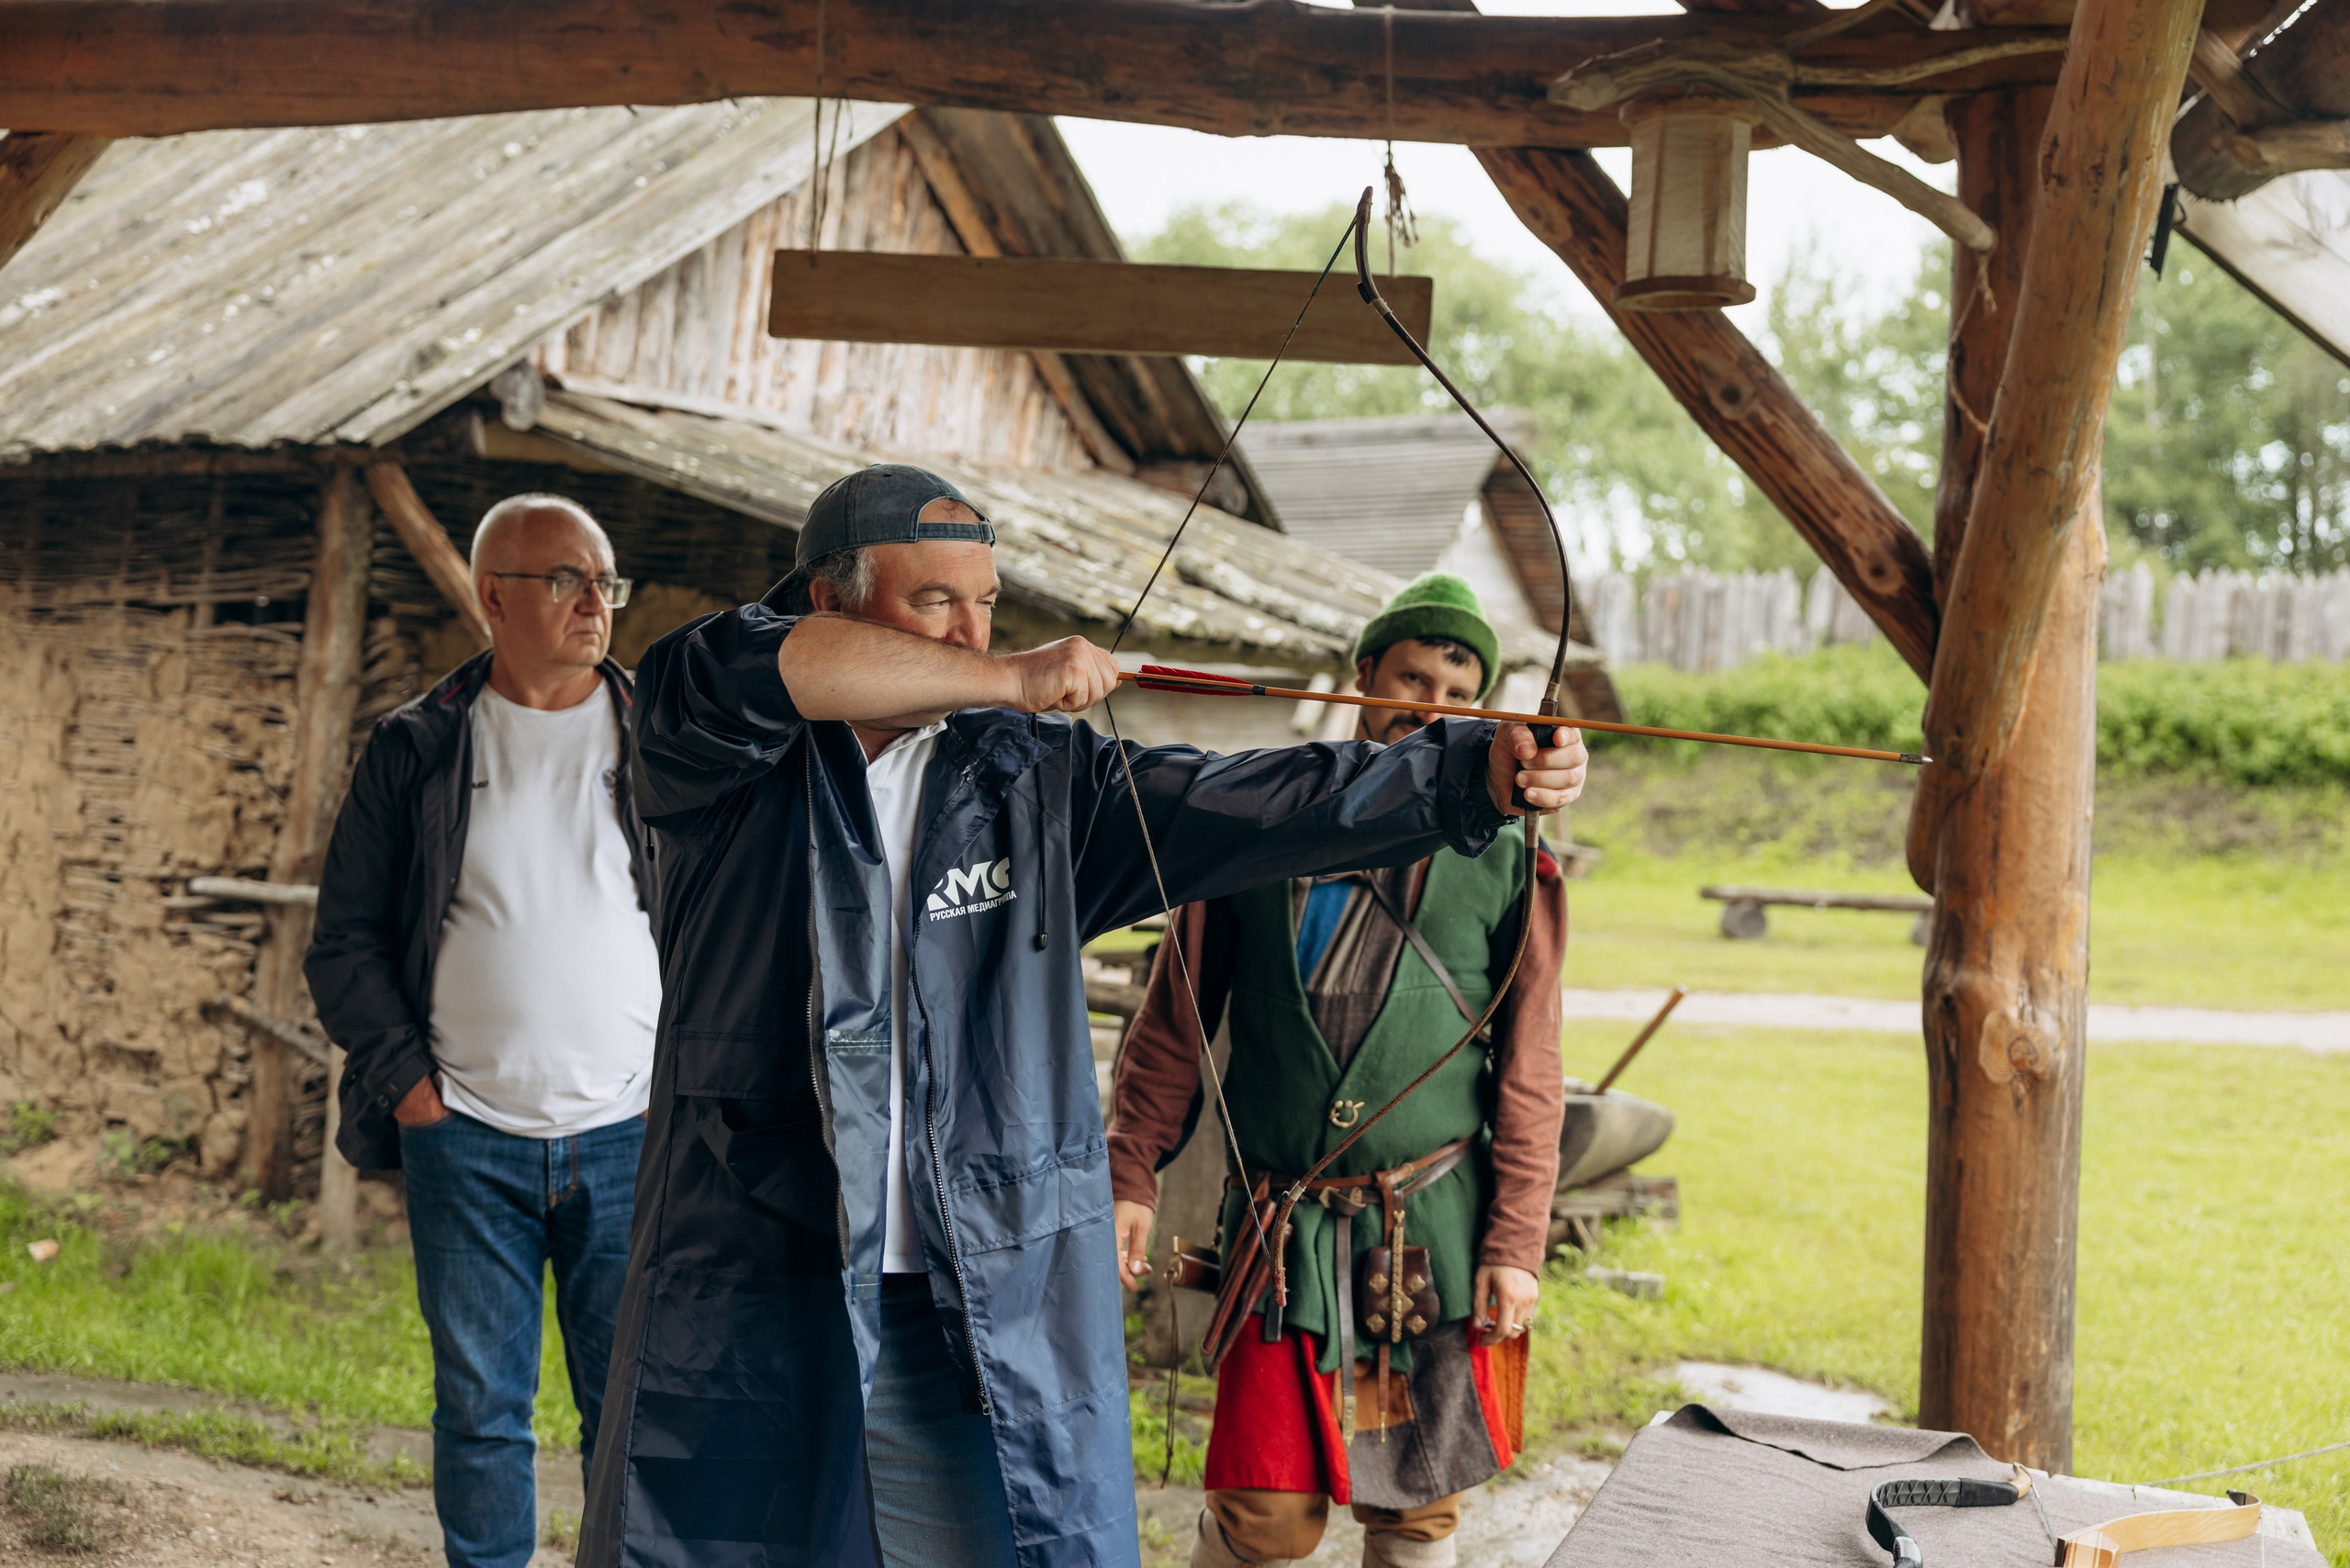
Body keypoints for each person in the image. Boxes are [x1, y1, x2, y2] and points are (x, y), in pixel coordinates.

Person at [574, 465, 1588, 1568]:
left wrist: (1464, 777)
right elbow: (773, 666)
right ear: (828, 597)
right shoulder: (708, 717)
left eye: (987, 603)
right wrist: (1005, 674)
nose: (970, 628)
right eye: (934, 602)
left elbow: (1257, 800)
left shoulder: (1035, 780)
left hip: (970, 1283)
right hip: (764, 1260)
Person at [1108, 575, 1569, 1568]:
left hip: (1427, 1234)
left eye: (1459, 689)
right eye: (1410, 676)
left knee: (1413, 1515)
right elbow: (1173, 1017)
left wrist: (1516, 1240)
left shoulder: (1508, 850)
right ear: (1364, 677)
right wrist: (1129, 1169)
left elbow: (1532, 1058)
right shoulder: (1260, 818)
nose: (1429, 707)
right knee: (1262, 1515)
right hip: (1284, 1237)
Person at [307, 495, 657, 1568]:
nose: (596, 602)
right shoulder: (418, 744)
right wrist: (412, 1087)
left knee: (632, 1411)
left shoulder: (663, 739)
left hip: (632, 1130)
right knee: (479, 1408)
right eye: (568, 580)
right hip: (465, 1133)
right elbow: (344, 940)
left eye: (606, 582)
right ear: (491, 593)